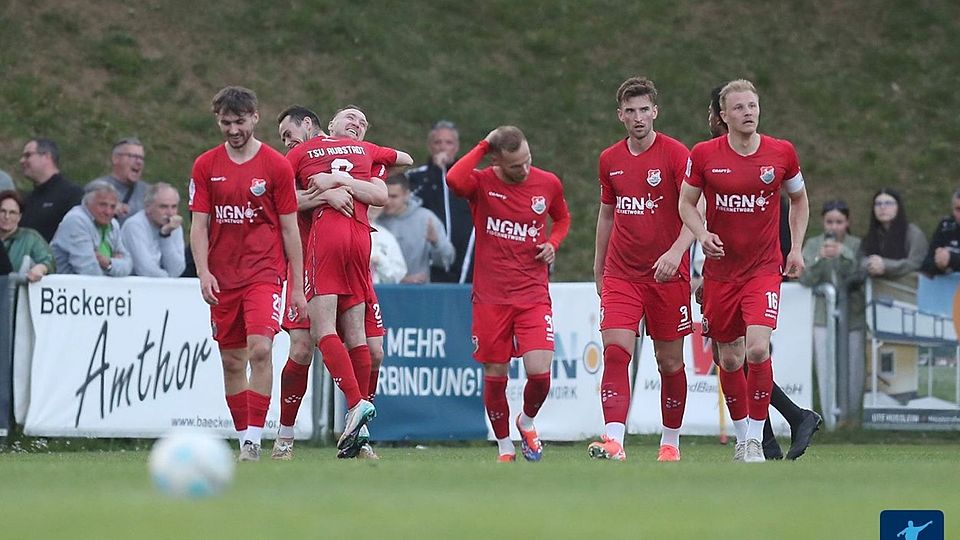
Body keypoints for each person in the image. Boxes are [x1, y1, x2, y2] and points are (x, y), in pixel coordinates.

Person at [679, 79, 810, 463]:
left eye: (752, 105)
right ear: (723, 116)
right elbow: (686, 204)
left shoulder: (781, 153)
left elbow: (799, 200)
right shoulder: (704, 155)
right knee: (729, 359)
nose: (748, 112)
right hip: (720, 273)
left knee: (756, 348)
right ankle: (743, 437)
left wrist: (797, 248)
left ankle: (755, 438)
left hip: (763, 269)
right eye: (738, 108)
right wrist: (702, 234)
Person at [282, 105, 411, 459]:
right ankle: (286, 437)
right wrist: (323, 194)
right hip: (317, 255)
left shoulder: (360, 153)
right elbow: (281, 201)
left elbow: (382, 192)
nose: (358, 124)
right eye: (351, 118)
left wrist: (335, 181)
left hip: (335, 246)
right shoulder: (304, 154)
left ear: (312, 126)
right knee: (303, 348)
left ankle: (357, 417)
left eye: (363, 122)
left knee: (369, 349)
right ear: (331, 124)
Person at [189, 86, 307, 462]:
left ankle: (254, 439)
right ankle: (244, 440)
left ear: (255, 118)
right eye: (226, 122)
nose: (233, 129)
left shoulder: (276, 166)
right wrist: (203, 271)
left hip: (265, 272)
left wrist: (298, 287)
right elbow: (198, 226)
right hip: (223, 277)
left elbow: (290, 228)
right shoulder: (206, 165)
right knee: (231, 361)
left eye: (239, 121)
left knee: (261, 349)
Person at [447, 125, 571, 462]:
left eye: (528, 160)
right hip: (491, 297)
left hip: (532, 294)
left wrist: (552, 243)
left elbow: (561, 218)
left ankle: (526, 421)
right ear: (497, 161)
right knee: (496, 373)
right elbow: (455, 180)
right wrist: (484, 142)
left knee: (540, 374)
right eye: (516, 165)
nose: (525, 169)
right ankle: (504, 447)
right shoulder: (483, 182)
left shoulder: (548, 183)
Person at [586, 77, 693, 463]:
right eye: (630, 111)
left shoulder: (676, 155)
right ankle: (614, 440)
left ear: (655, 112)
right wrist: (599, 267)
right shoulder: (609, 159)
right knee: (616, 352)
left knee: (670, 362)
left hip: (668, 274)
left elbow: (694, 210)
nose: (638, 117)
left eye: (644, 109)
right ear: (620, 116)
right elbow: (607, 214)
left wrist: (677, 252)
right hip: (622, 273)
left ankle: (670, 443)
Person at [800, 199, 866, 425]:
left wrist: (844, 252)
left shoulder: (856, 244)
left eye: (839, 222)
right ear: (823, 222)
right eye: (829, 221)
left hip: (853, 316)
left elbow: (859, 273)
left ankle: (851, 419)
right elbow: (805, 278)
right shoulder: (812, 244)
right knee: (825, 366)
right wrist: (819, 258)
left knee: (854, 367)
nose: (834, 227)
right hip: (822, 316)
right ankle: (828, 420)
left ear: (847, 222)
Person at [405, 121, 475, 283]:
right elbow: (410, 202)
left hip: (465, 258)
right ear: (430, 146)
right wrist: (435, 172)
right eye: (438, 142)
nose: (443, 147)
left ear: (456, 147)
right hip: (427, 257)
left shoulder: (471, 178)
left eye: (448, 142)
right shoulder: (416, 177)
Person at [378, 174, 455, 284]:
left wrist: (436, 243)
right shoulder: (374, 219)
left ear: (407, 195)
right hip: (381, 291)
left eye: (394, 196)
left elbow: (447, 260)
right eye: (385, 196)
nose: (388, 202)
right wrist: (400, 280)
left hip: (417, 291)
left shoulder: (426, 219)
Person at [50, 180, 132, 276]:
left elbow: (128, 265)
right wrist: (116, 267)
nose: (108, 212)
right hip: (65, 287)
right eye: (102, 205)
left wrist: (108, 264)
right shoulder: (76, 220)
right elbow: (88, 270)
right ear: (87, 203)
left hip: (96, 287)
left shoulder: (113, 224)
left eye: (113, 206)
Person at [19, 138, 84, 242]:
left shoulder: (73, 195)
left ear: (47, 157)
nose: (22, 161)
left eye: (28, 155)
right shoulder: (26, 199)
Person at [120, 182, 185, 277]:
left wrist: (166, 235)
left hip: (161, 285)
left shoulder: (174, 227)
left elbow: (176, 270)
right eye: (163, 207)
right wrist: (169, 281)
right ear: (148, 208)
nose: (170, 213)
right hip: (133, 286)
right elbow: (145, 270)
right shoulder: (134, 226)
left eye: (174, 207)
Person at [859, 188, 927, 280]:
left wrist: (885, 265)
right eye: (878, 204)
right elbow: (860, 259)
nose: (882, 207)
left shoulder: (913, 233)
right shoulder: (873, 235)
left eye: (888, 203)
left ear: (898, 207)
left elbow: (915, 263)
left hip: (907, 288)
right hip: (877, 290)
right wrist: (870, 265)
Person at [0, 190, 55, 281]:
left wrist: (41, 268)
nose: (7, 217)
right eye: (2, 211)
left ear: (19, 216)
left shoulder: (31, 237)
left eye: (12, 212)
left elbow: (49, 261)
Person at [92, 137, 149, 224]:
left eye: (141, 158)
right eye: (133, 156)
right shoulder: (96, 189)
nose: (139, 162)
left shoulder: (149, 193)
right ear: (115, 159)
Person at [920, 189, 960, 275]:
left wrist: (951, 259)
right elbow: (926, 265)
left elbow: (950, 259)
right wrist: (939, 265)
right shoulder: (946, 226)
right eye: (958, 209)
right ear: (952, 209)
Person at [369, 204, 407, 284]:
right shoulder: (345, 230)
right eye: (370, 202)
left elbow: (398, 274)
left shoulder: (386, 236)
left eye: (378, 203)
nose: (374, 207)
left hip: (379, 291)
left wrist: (381, 262)